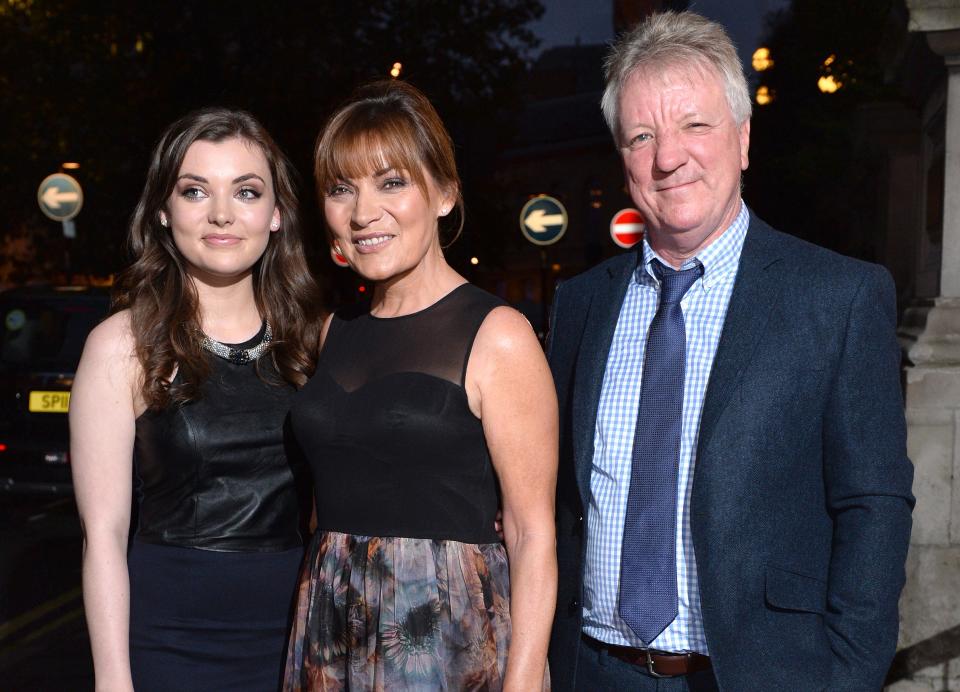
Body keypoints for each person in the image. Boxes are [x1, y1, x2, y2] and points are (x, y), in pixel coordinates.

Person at [547, 11, 915, 691]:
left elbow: (875, 504)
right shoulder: (580, 306)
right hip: (593, 672)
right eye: (642, 135)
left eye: (695, 125)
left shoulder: (838, 297)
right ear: (623, 158)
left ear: (743, 138)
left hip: (761, 675)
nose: (668, 156)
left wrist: (847, 676)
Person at [283, 80, 557, 691]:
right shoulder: (331, 332)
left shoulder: (498, 335)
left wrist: (524, 683)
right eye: (341, 189)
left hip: (444, 642)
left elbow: (532, 533)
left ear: (444, 193)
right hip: (330, 629)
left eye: (392, 182)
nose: (362, 211)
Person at [70, 107, 321, 691]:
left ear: (277, 213)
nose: (222, 214)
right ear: (163, 210)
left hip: (301, 638)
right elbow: (102, 534)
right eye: (195, 190)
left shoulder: (316, 342)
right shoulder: (121, 346)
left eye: (247, 191)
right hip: (169, 641)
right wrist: (113, 680)